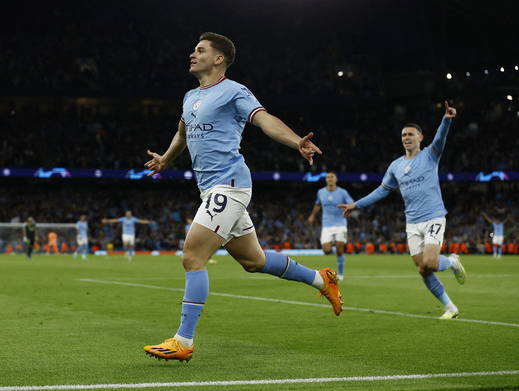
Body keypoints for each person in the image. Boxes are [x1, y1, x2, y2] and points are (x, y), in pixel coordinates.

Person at [143, 32, 343, 363]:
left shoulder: (234, 91)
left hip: (230, 184)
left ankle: (184, 340)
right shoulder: (190, 96)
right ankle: (323, 280)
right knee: (255, 261)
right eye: (194, 49)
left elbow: (265, 120)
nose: (192, 54)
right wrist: (166, 159)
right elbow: (182, 134)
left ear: (219, 58)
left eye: (200, 50)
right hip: (210, 188)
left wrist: (297, 142)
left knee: (192, 256)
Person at [338, 101, 466, 320]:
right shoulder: (395, 166)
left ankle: (453, 261)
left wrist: (446, 120)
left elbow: (441, 138)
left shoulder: (430, 155)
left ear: (420, 138)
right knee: (422, 269)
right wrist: (355, 204)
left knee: (432, 263)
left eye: (411, 134)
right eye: (404, 135)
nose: (407, 137)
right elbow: (381, 191)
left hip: (433, 216)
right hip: (412, 223)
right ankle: (450, 307)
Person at [307, 171, 354, 281]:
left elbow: (351, 203)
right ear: (326, 179)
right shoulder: (321, 192)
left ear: (336, 179)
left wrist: (348, 208)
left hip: (340, 224)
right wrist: (312, 216)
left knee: (340, 247)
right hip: (327, 224)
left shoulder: (342, 192)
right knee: (326, 250)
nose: (330, 178)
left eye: (332, 177)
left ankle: (340, 274)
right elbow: (318, 204)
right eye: (328, 177)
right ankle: (339, 250)